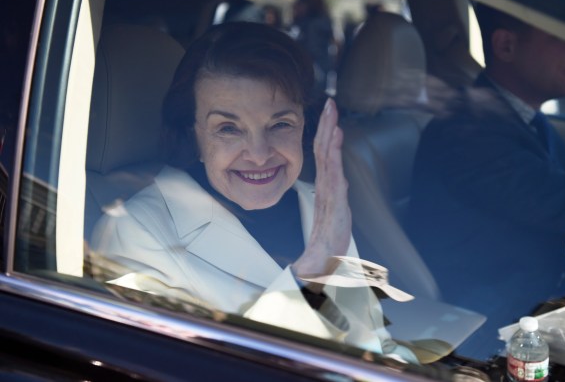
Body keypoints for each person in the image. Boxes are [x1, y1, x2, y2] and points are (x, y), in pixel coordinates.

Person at [90, 22, 416, 361]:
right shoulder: (132, 237)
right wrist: (311, 272)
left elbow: (373, 343)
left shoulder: (317, 204)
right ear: (193, 135)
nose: (259, 154)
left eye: (280, 124)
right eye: (228, 128)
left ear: (305, 123)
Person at [407, 4, 565, 358]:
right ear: (506, 46)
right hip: (503, 327)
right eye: (562, 36)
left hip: (546, 300)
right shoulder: (468, 132)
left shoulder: (515, 118)